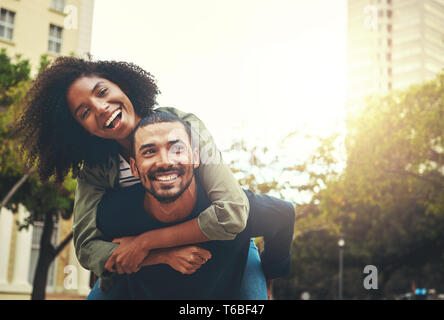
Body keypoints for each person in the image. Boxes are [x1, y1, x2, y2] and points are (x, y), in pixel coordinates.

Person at [17, 57, 266, 298]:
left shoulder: (185, 126)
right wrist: (159, 255)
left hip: (224, 248)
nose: (101, 108)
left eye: (102, 92)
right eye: (85, 112)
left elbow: (232, 212)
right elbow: (86, 248)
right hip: (138, 268)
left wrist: (144, 242)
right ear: (79, 129)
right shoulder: (95, 170)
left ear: (121, 84)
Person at [94, 111, 295, 299]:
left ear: (196, 158)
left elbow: (285, 214)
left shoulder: (233, 209)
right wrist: (162, 255)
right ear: (134, 168)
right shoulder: (114, 215)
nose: (165, 161)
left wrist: (268, 280)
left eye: (177, 149)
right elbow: (94, 252)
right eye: (149, 152)